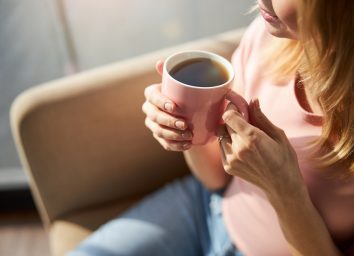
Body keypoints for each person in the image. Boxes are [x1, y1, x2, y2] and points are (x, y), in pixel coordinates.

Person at [69, 0, 354, 255]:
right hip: (208, 210)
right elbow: (215, 178)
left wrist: (284, 189)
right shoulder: (267, 37)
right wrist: (184, 128)